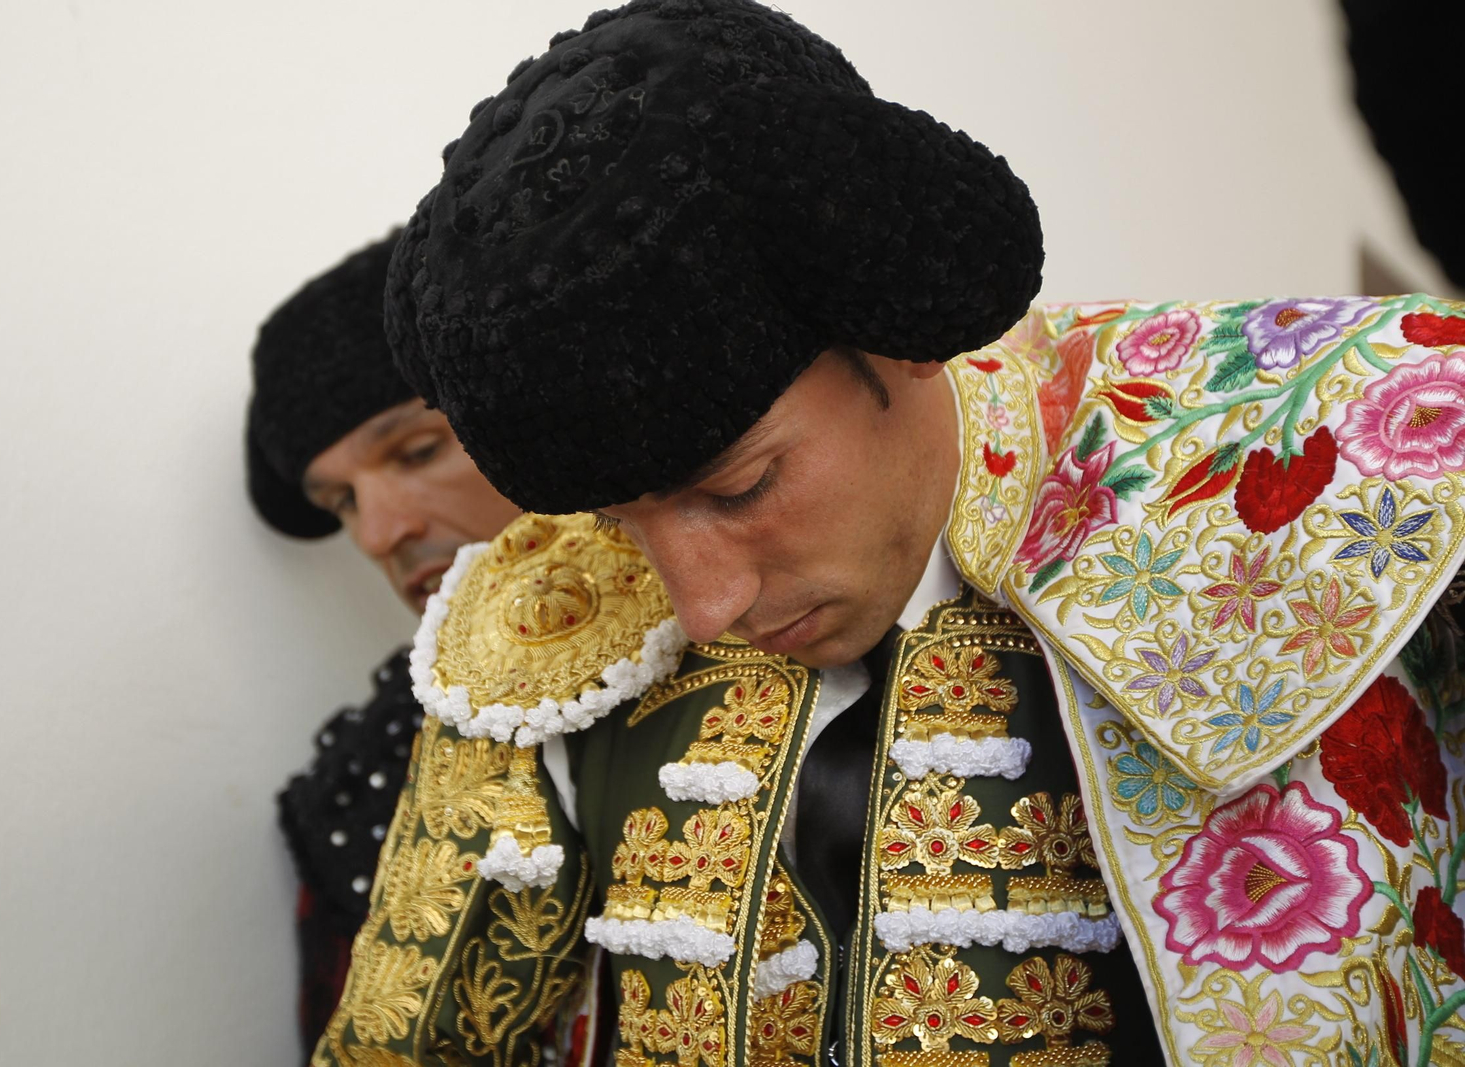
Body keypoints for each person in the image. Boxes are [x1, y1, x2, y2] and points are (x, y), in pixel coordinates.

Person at [316, 3, 1465, 1064]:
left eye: (739, 485)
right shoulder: (535, 638)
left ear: (898, 325)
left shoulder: (1362, 456)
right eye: (623, 522)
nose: (703, 605)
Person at [243, 231, 519, 1056]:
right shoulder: (362, 788)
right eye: (341, 504)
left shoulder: (758, 622)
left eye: (418, 451)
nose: (377, 532)